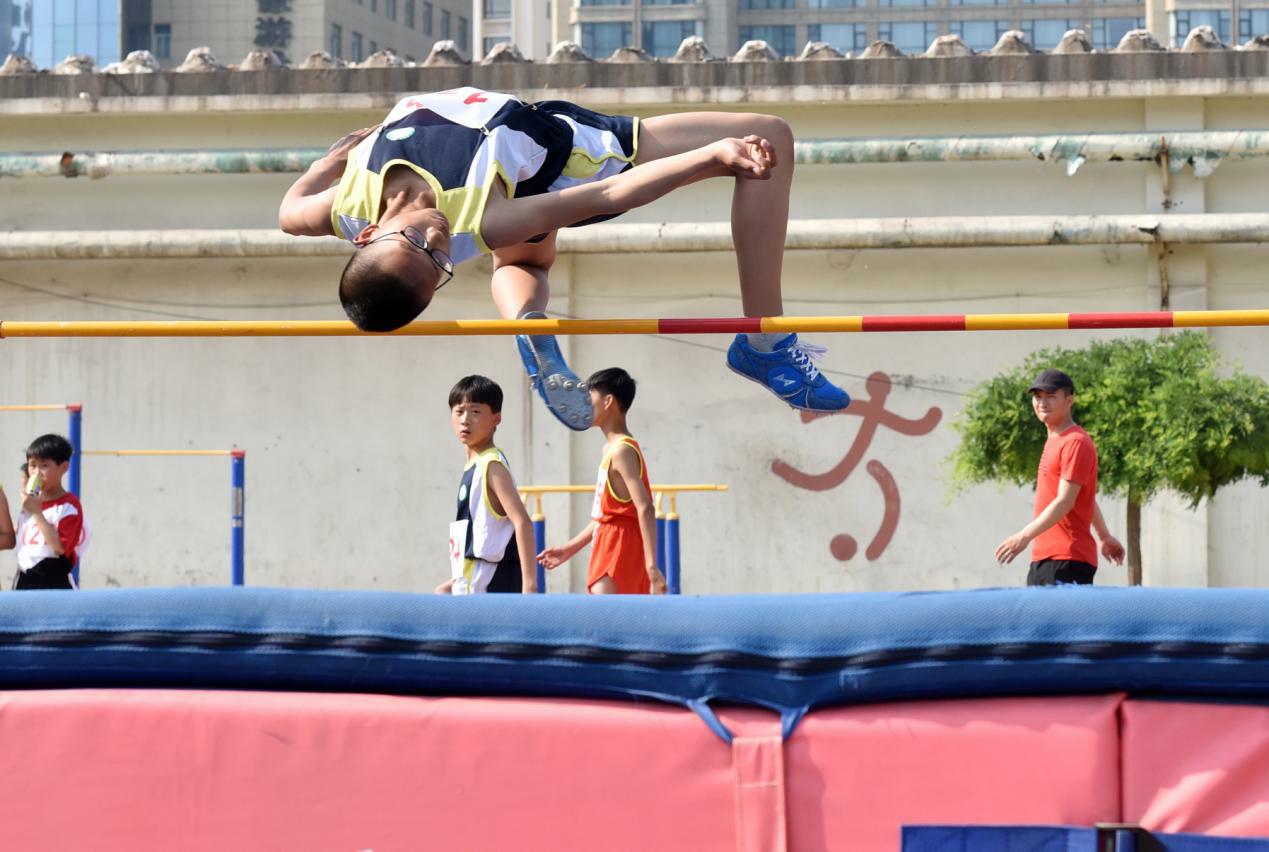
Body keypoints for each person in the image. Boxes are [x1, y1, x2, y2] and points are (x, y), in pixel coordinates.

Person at [278, 88, 851, 432]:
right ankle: (765, 343)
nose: (440, 237)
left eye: (417, 243)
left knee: (522, 267)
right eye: (441, 263)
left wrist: (328, 164)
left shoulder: (342, 205)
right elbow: (605, 196)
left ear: (368, 233)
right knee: (766, 135)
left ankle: (528, 322)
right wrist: (712, 157)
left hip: (519, 164)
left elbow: (288, 210)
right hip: (559, 155)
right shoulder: (476, 219)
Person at [538, 368, 666, 595]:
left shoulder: (621, 451)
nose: (584, 404)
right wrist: (568, 549)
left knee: (604, 623)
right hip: (610, 541)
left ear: (608, 402)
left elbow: (645, 506)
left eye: (589, 397)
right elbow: (606, 515)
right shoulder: (611, 449)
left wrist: (652, 565)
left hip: (619, 547)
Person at [995, 369, 1125, 585]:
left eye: (1051, 396)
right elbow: (1084, 497)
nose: (1042, 403)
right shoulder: (1055, 439)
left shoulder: (1075, 442)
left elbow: (1065, 501)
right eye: (1038, 397)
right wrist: (1103, 536)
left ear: (1069, 400)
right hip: (1048, 559)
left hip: (1066, 559)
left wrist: (1023, 536)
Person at [435, 375, 539, 595]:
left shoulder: (491, 465)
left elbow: (523, 522)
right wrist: (453, 582)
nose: (465, 419)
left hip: (488, 585)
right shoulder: (474, 465)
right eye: (459, 411)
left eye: (475, 412)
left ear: (496, 419)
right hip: (471, 579)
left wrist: (529, 587)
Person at [11, 434, 86, 591]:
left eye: (44, 466)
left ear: (63, 467)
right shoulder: (30, 502)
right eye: (32, 466)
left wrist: (37, 513)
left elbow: (59, 548)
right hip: (24, 578)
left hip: (54, 581)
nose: (37, 473)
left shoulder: (69, 506)